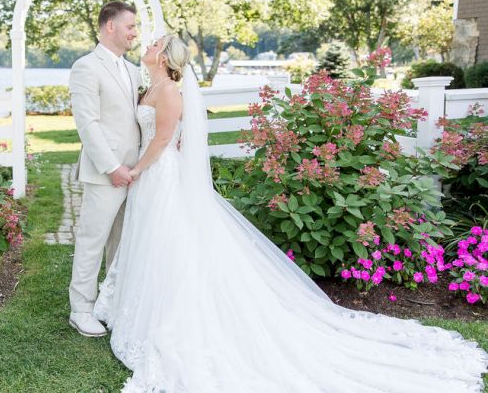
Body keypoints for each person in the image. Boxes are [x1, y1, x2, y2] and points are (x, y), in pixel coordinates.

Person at [93, 34, 488, 392]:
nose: (145, 44)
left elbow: (163, 139)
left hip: (159, 177)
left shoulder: (170, 93)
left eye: (153, 42)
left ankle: (170, 321)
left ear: (162, 55)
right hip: (155, 178)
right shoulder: (153, 85)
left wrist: (137, 170)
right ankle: (139, 310)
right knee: (155, 244)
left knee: (171, 245)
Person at [68, 1, 141, 338]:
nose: (134, 33)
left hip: (137, 172)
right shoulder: (86, 67)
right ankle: (80, 309)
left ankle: (109, 304)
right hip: (105, 172)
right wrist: (111, 167)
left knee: (122, 242)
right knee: (92, 240)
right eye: (130, 26)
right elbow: (88, 123)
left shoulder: (133, 70)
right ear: (110, 26)